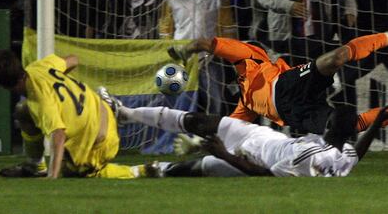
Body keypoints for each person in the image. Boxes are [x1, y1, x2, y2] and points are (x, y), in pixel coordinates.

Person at [0, 50, 157, 179]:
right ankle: (35, 166)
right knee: (23, 110)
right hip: (100, 110)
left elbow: (58, 134)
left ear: (4, 87)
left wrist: (53, 176)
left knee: (73, 172)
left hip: (101, 143)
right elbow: (73, 60)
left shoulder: (41, 100)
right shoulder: (38, 67)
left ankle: (139, 170)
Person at [167, 32, 388, 134]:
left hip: (285, 85)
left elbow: (202, 43)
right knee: (349, 127)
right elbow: (227, 129)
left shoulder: (247, 55)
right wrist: (197, 142)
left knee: (335, 59)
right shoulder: (245, 103)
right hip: (296, 114)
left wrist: (182, 53)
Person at [111, 98, 388, 177]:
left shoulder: (310, 157)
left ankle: (127, 172)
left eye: (329, 122)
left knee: (191, 168)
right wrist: (377, 121)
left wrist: (225, 155)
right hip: (261, 135)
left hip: (250, 157)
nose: (324, 124)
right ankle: (125, 113)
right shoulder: (343, 155)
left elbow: (265, 174)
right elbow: (357, 152)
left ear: (331, 127)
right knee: (198, 121)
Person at [159, 0, 237, 115]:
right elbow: (165, 31)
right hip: (182, 60)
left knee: (215, 105)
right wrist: (172, 55)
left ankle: (214, 137)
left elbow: (228, 30)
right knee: (180, 106)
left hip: (211, 61)